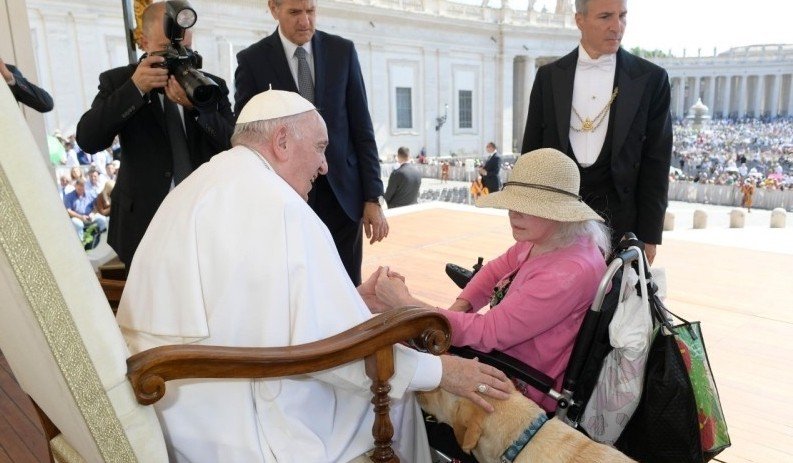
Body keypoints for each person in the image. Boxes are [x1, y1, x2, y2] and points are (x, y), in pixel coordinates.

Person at [116, 89, 511, 463]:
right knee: (399, 397)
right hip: (237, 421)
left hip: (175, 407)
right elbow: (333, 354)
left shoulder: (199, 184)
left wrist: (355, 300)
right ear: (282, 140)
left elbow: (260, 315)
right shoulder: (280, 206)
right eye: (320, 148)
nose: (325, 165)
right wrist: (442, 371)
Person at [372, 148, 610, 414]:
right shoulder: (557, 240)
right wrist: (460, 307)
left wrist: (407, 306)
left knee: (395, 361)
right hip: (514, 357)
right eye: (513, 202)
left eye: (527, 206)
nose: (513, 213)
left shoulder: (567, 273)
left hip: (520, 382)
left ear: (559, 212)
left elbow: (488, 334)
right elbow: (495, 270)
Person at [234, 0, 388, 286]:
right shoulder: (251, 61)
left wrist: (372, 197)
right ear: (273, 9)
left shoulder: (343, 51)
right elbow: (246, 136)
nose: (305, 20)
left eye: (311, 11)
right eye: (295, 12)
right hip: (286, 198)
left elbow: (362, 128)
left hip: (343, 197)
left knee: (347, 284)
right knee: (298, 285)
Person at [76, 2, 234, 266]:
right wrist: (135, 90)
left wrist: (198, 109)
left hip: (205, 221)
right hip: (143, 225)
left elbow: (234, 145)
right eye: (165, 50)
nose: (174, 58)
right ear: (144, 42)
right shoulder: (118, 82)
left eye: (183, 49)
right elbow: (88, 139)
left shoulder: (211, 85)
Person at [520, 0, 672, 264]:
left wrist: (650, 234)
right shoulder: (548, 77)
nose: (617, 26)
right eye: (605, 17)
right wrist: (526, 217)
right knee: (555, 297)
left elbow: (656, 162)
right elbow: (532, 154)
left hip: (624, 218)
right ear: (580, 20)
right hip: (557, 214)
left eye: (623, 16)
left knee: (614, 300)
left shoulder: (652, 79)